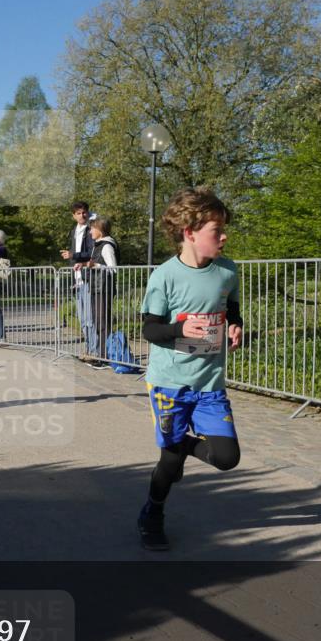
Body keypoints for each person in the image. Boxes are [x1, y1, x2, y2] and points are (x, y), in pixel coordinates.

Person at [137, 187, 243, 551]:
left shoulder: (228, 271)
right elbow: (149, 329)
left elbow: (232, 309)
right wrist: (179, 329)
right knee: (168, 463)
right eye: (217, 230)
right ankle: (152, 513)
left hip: (210, 383)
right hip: (170, 384)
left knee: (227, 458)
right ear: (190, 233)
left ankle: (178, 444)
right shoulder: (164, 276)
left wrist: (235, 325)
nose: (224, 236)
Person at [60, 201, 97, 358]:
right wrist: (71, 257)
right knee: (82, 319)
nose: (82, 215)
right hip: (77, 279)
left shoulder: (91, 230)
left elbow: (91, 253)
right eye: (79, 213)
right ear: (73, 215)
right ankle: (88, 349)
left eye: (84, 212)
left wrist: (73, 255)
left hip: (88, 278)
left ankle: (94, 352)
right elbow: (74, 254)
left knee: (89, 318)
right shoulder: (73, 231)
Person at [87, 216, 118, 368]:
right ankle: (101, 354)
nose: (90, 231)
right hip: (96, 287)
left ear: (100, 230)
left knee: (103, 321)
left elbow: (113, 268)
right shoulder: (97, 245)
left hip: (104, 288)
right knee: (97, 321)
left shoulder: (107, 246)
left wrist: (96, 265)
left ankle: (105, 357)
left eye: (93, 228)